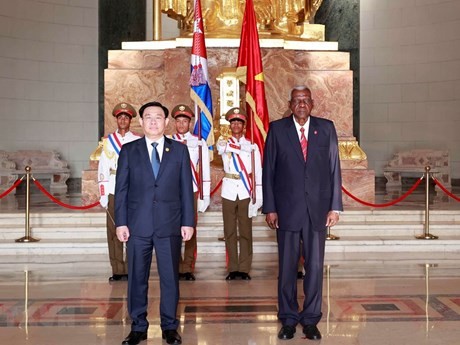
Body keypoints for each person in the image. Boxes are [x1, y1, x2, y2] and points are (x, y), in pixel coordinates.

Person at [262, 86, 343, 341]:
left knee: (315, 267)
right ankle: (288, 319)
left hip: (318, 210)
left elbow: (334, 168)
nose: (301, 105)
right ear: (290, 104)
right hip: (286, 210)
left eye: (305, 100)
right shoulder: (277, 129)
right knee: (287, 268)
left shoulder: (326, 128)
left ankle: (310, 320)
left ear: (312, 103)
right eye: (297, 101)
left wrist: (335, 206)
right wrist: (271, 207)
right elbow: (269, 171)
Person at [115, 101, 195, 345]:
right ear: (140, 121)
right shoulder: (129, 150)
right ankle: (138, 326)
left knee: (170, 278)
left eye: (158, 117)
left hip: (169, 225)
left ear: (166, 122)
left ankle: (170, 327)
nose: (152, 121)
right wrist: (121, 222)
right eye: (148, 117)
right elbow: (122, 190)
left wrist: (188, 221)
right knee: (137, 278)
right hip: (138, 226)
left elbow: (185, 189)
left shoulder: (179, 151)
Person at [217, 107, 262, 281]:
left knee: (245, 231)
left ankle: (244, 267)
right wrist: (242, 148)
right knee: (229, 231)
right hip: (228, 190)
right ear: (230, 125)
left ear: (244, 126)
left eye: (239, 122)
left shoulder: (253, 146)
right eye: (233, 122)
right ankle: (232, 267)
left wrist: (258, 195)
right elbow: (222, 148)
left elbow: (257, 171)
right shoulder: (224, 142)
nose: (236, 125)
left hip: (245, 190)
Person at [98, 102, 140, 282]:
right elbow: (102, 169)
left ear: (130, 120)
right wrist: (103, 193)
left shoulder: (137, 141)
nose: (123, 120)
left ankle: (133, 268)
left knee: (133, 230)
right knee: (113, 229)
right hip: (114, 189)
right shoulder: (108, 142)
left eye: (126, 117)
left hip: (132, 190)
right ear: (116, 120)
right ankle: (117, 269)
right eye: (120, 117)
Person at [170, 104, 211, 281]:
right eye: (178, 121)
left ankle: (187, 266)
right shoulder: (167, 141)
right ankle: (174, 264)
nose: (181, 125)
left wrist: (205, 195)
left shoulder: (198, 143)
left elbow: (205, 171)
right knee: (172, 228)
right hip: (171, 191)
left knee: (190, 226)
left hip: (191, 190)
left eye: (184, 121)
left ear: (189, 123)